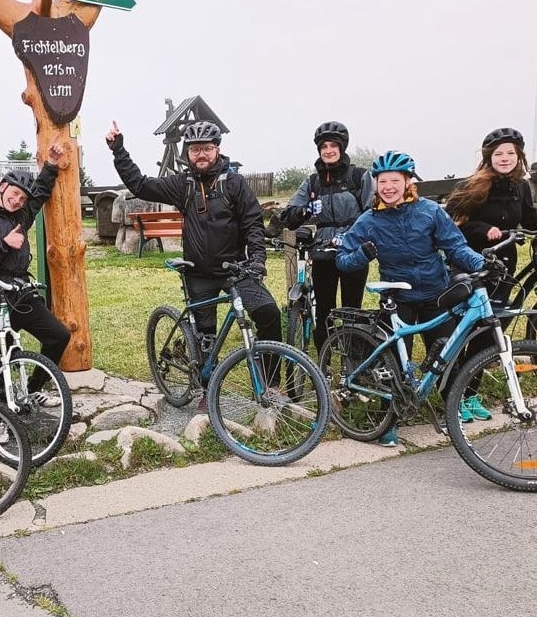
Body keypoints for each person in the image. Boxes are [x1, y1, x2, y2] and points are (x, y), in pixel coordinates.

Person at [105, 119, 281, 403]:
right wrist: (119, 150)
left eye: (206, 149)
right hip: (198, 272)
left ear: (217, 149)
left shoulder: (234, 183)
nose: (201, 154)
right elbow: (139, 185)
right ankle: (206, 389)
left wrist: (257, 259)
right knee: (206, 336)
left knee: (268, 313)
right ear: (187, 153)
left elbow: (252, 223)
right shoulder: (181, 184)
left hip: (237, 269)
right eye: (195, 149)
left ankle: (271, 385)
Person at [336, 151, 486, 447]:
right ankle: (387, 423)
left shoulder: (430, 211)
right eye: (382, 181)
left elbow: (455, 247)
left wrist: (481, 263)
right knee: (393, 363)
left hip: (435, 294)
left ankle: (451, 417)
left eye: (395, 180)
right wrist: (362, 255)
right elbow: (342, 261)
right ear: (375, 185)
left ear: (408, 183)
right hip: (397, 297)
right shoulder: (368, 220)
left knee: (446, 357)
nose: (388, 186)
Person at [0, 141, 69, 404]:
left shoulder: (21, 215)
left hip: (20, 293)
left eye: (22, 198)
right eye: (13, 194)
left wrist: (52, 164)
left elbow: (40, 192)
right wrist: (3, 245)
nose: (17, 200)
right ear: (2, 188)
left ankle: (32, 389)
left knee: (58, 336)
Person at [445, 127, 537, 421]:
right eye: (499, 153)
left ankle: (470, 393)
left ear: (519, 157)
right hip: (472, 266)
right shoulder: (472, 185)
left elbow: (528, 217)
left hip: (502, 268)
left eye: (511, 153)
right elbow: (452, 223)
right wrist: (484, 231)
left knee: (488, 336)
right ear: (489, 157)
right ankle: (451, 396)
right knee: (463, 330)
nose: (505, 158)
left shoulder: (520, 187)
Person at [280, 121, 373, 353]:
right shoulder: (313, 182)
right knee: (324, 310)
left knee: (353, 309)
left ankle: (353, 362)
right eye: (324, 146)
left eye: (333, 145)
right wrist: (307, 210)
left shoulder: (359, 176)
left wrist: (353, 237)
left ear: (342, 148)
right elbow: (288, 217)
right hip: (323, 252)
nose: (329, 150)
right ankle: (323, 361)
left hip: (352, 251)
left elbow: (373, 213)